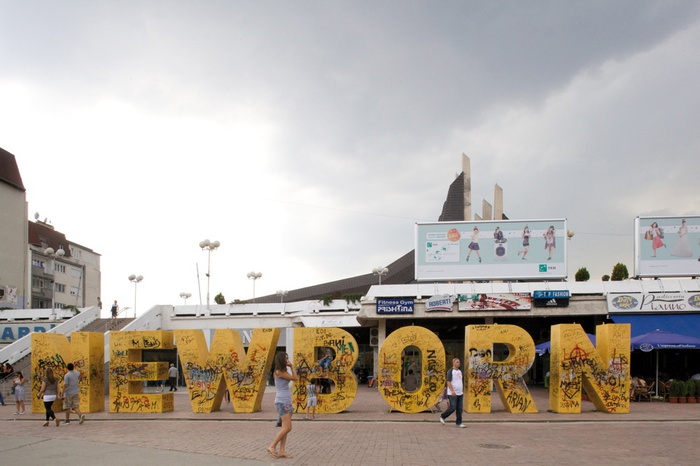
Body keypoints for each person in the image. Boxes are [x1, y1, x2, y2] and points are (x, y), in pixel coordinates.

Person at [267, 352, 298, 458]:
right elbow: (295, 378)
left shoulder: (282, 371)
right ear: (281, 360)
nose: (287, 360)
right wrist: (292, 366)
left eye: (287, 358)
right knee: (288, 427)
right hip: (282, 402)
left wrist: (290, 367)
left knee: (285, 428)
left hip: (286, 401)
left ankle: (282, 450)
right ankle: (272, 446)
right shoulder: (279, 372)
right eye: (285, 359)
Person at [438, 358, 465, 428]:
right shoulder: (450, 371)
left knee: (459, 408)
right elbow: (448, 382)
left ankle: (459, 422)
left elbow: (460, 381)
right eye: (457, 362)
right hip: (452, 393)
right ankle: (442, 416)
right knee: (453, 407)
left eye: (459, 362)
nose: (459, 363)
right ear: (454, 363)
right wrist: (452, 390)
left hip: (460, 393)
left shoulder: (460, 371)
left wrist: (462, 389)